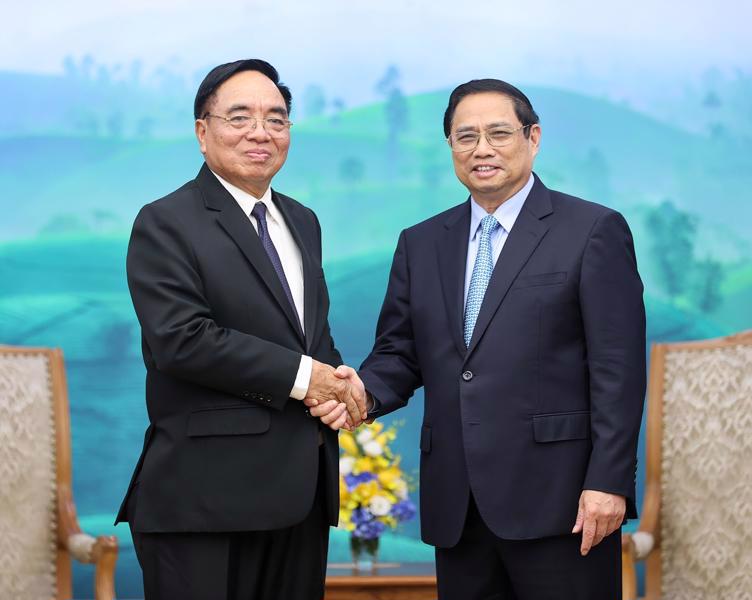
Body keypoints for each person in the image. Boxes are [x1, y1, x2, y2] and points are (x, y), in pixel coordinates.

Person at [323, 79, 646, 599]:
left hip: (562, 502)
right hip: (458, 505)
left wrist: (607, 482)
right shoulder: (421, 242)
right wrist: (359, 393)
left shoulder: (592, 230)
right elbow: (400, 353)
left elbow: (618, 370)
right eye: (465, 136)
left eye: (499, 133)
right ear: (450, 146)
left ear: (533, 137)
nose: (482, 149)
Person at [115, 59, 366, 600]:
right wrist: (308, 380)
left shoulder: (302, 220)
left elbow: (308, 339)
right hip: (205, 499)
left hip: (300, 495)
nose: (261, 132)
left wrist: (338, 390)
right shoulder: (166, 221)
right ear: (203, 133)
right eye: (240, 117)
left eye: (277, 119)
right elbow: (181, 339)